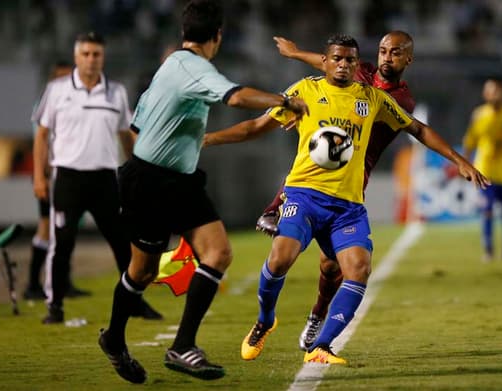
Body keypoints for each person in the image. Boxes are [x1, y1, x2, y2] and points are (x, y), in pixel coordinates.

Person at [203, 34, 489, 365]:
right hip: (306, 192)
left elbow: (419, 129)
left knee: (352, 268)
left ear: (359, 65)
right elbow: (257, 125)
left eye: (350, 60)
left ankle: (321, 343)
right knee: (281, 258)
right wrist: (209, 138)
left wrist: (458, 160)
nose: (344, 64)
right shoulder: (306, 91)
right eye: (337, 59)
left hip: (349, 198)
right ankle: (266, 319)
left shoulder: (378, 99)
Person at [97, 0, 308, 384]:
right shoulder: (194, 68)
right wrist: (285, 101)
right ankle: (114, 338)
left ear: (184, 33)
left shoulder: (170, 67)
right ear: (218, 36)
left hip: (177, 178)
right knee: (141, 271)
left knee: (218, 252)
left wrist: (183, 144)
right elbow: (236, 97)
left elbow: (138, 128)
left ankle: (182, 345)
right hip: (151, 181)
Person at [257, 32, 417, 351]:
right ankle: (275, 208)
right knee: (311, 163)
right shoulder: (362, 70)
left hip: (354, 176)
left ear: (407, 60)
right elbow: (330, 62)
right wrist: (296, 55)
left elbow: (366, 109)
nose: (387, 57)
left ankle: (318, 313)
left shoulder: (400, 101)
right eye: (383, 50)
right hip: (323, 163)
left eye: (395, 53)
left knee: (331, 266)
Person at [33, 32, 162, 324]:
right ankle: (54, 306)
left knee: (123, 243)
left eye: (96, 54)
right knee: (61, 244)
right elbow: (41, 135)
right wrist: (39, 177)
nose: (91, 60)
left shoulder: (115, 92)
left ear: (103, 57)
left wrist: (136, 169)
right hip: (67, 178)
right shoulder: (56, 90)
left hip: (105, 179)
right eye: (86, 54)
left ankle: (135, 301)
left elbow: (125, 135)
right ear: (77, 56)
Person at [24, 60, 91, 301]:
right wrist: (42, 176)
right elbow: (41, 141)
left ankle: (62, 282)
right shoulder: (46, 105)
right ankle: (32, 284)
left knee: (65, 229)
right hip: (52, 174)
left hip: (67, 173)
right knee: (47, 228)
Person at [463, 78, 502, 261]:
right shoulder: (479, 115)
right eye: (489, 91)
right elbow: (470, 141)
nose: (493, 94)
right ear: (485, 94)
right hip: (485, 172)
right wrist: (464, 164)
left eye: (496, 90)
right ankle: (488, 250)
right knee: (487, 210)